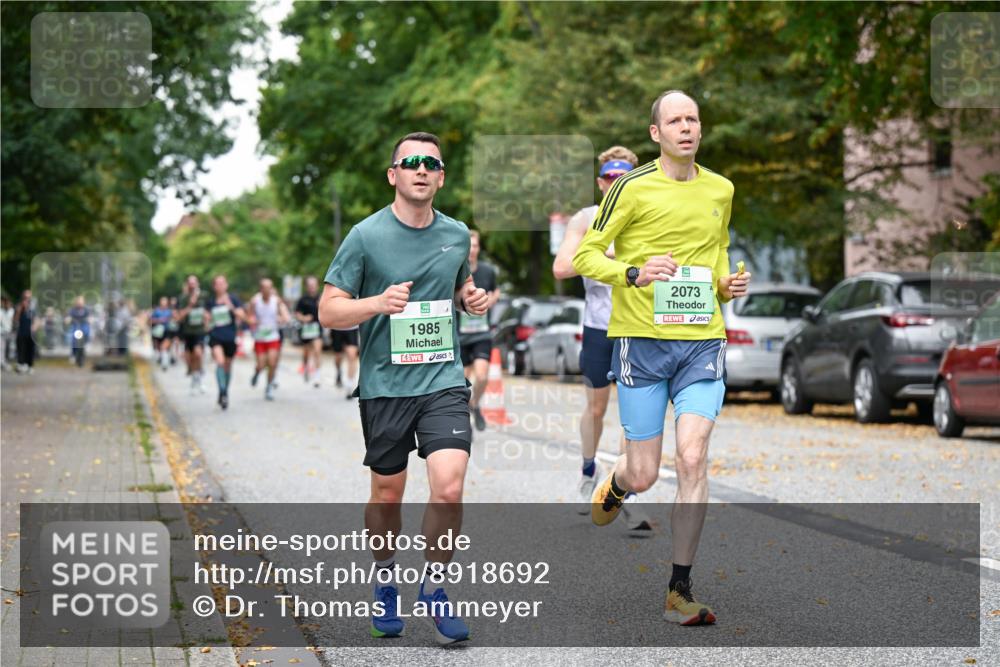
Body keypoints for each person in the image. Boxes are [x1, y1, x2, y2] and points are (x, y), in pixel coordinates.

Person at [573, 91, 751, 626]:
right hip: (641, 343)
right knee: (646, 472)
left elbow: (718, 249)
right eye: (675, 120)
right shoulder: (629, 187)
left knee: (693, 457)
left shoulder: (721, 188)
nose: (686, 127)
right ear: (657, 134)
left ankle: (679, 588)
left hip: (702, 340)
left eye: (693, 119)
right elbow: (585, 253)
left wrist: (726, 282)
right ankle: (619, 482)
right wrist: (632, 272)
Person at [319, 131, 488, 645]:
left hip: (442, 380)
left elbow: (457, 287)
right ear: (393, 174)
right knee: (387, 495)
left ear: (440, 177)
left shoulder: (457, 234)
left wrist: (469, 298)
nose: (421, 170)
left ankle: (435, 586)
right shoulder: (365, 236)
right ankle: (385, 576)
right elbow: (329, 309)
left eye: (431, 164)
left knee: (450, 485)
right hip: (385, 386)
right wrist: (376, 304)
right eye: (410, 162)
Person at [553, 145, 652, 536]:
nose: (616, 183)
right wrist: (608, 253)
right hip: (598, 327)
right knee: (596, 410)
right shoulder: (586, 218)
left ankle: (623, 490)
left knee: (633, 416)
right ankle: (589, 467)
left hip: (637, 327)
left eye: (623, 176)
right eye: (610, 177)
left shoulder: (648, 216)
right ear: (600, 182)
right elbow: (561, 267)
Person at [458, 230, 501, 431]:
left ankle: (474, 405)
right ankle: (465, 412)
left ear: (479, 248)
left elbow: (496, 291)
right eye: (469, 246)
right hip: (460, 334)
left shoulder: (487, 271)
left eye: (475, 246)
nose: (472, 250)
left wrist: (491, 300)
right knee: (464, 381)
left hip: (482, 332)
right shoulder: (456, 270)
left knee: (482, 376)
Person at [205, 275, 246, 410]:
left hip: (229, 337)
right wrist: (207, 322)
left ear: (226, 285)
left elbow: (242, 316)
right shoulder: (210, 302)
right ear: (214, 286)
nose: (220, 286)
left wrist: (231, 307)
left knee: (228, 366)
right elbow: (206, 320)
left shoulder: (233, 299)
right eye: (217, 284)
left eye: (222, 283)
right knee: (220, 362)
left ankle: (224, 392)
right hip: (215, 336)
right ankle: (222, 390)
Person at [248, 278, 290, 401]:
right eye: (265, 288)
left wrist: (281, 318)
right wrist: (252, 320)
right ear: (261, 289)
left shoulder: (276, 301)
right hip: (260, 338)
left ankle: (269, 386)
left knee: (272, 363)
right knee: (261, 364)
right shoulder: (255, 301)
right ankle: (257, 373)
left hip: (273, 337)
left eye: (269, 288)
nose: (267, 290)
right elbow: (249, 316)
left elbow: (286, 316)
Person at [175, 275, 207, 394]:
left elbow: (209, 313)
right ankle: (195, 378)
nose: (192, 285)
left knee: (198, 354)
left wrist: (206, 318)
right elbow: (178, 317)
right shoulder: (183, 298)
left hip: (200, 331)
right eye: (190, 283)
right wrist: (190, 306)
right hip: (187, 332)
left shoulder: (204, 296)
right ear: (187, 285)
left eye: (194, 283)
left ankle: (199, 377)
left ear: (198, 283)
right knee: (190, 358)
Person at [295, 276, 324, 388]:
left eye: (314, 285)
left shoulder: (321, 297)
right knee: (306, 352)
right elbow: (297, 313)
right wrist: (303, 318)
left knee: (317, 351)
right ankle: (306, 366)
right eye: (310, 285)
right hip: (306, 329)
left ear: (317, 286)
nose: (312, 287)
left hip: (317, 327)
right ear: (307, 286)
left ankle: (317, 376)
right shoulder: (303, 299)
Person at [13, 290, 37, 374]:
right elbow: (15, 319)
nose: (27, 300)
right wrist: (20, 309)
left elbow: (37, 319)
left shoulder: (33, 308)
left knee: (30, 349)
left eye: (29, 298)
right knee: (21, 348)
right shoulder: (19, 307)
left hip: (31, 332)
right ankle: (21, 364)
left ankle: (29, 366)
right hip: (21, 331)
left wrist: (35, 326)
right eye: (25, 298)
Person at [150, 296, 174, 370]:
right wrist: (159, 320)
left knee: (164, 347)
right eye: (162, 301)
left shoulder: (170, 311)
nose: (163, 303)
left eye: (165, 301)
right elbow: (150, 320)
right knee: (159, 348)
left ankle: (165, 363)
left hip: (167, 331)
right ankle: (163, 358)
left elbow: (174, 319)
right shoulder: (156, 311)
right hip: (158, 332)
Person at [166, 296, 181, 365]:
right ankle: (172, 356)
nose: (173, 302)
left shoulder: (179, 309)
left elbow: (179, 318)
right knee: (170, 344)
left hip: (176, 329)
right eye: (172, 300)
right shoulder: (168, 309)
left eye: (174, 300)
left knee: (176, 343)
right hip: (169, 329)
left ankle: (176, 357)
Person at [1, 296, 13, 370]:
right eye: (6, 303)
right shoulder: (1, 311)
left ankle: (6, 362)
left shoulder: (12, 311)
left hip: (9, 331)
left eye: (8, 303)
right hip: (2, 332)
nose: (7, 304)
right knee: (2, 348)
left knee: (8, 348)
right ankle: (2, 362)